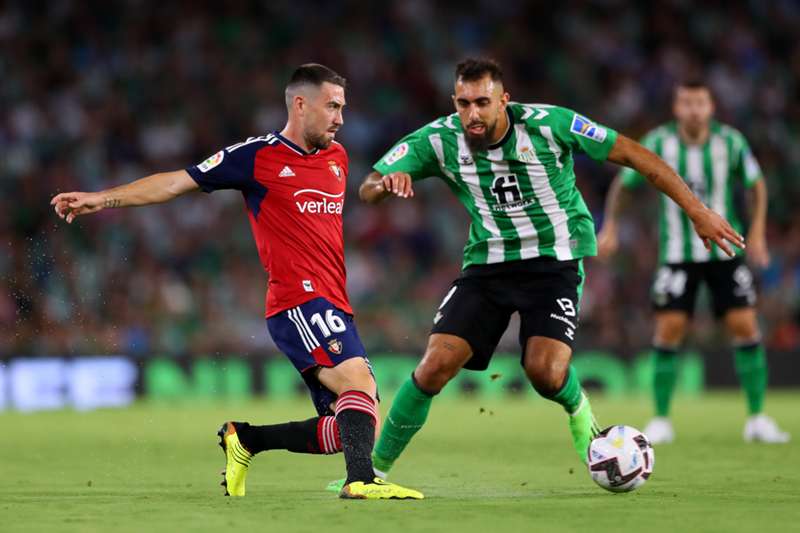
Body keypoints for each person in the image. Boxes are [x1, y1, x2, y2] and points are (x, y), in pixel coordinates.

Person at [331, 57, 743, 488]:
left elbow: (633, 153)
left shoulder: (550, 124)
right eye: (463, 103)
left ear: (504, 101)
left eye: (483, 102)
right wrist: (386, 184)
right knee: (435, 365)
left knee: (545, 374)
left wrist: (698, 211)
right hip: (487, 267)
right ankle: (370, 473)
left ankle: (578, 407)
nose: (472, 113)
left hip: (554, 265)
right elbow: (369, 185)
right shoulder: (437, 139)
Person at [50, 63, 423, 500]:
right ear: (300, 105)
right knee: (357, 383)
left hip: (336, 304)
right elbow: (175, 183)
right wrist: (102, 198)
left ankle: (245, 439)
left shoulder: (337, 159)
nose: (341, 118)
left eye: (343, 108)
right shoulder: (256, 156)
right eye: (333, 107)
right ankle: (361, 481)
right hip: (297, 301)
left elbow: (362, 194)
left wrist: (387, 183)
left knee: (352, 428)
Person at [596, 79, 790, 444]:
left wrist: (759, 231)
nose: (694, 109)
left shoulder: (730, 141)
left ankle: (757, 418)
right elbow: (625, 183)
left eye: (700, 102)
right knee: (668, 328)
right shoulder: (658, 142)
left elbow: (756, 184)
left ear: (711, 107)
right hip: (677, 255)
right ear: (676, 107)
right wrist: (611, 227)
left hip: (724, 252)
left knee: (746, 325)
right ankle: (661, 418)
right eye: (687, 102)